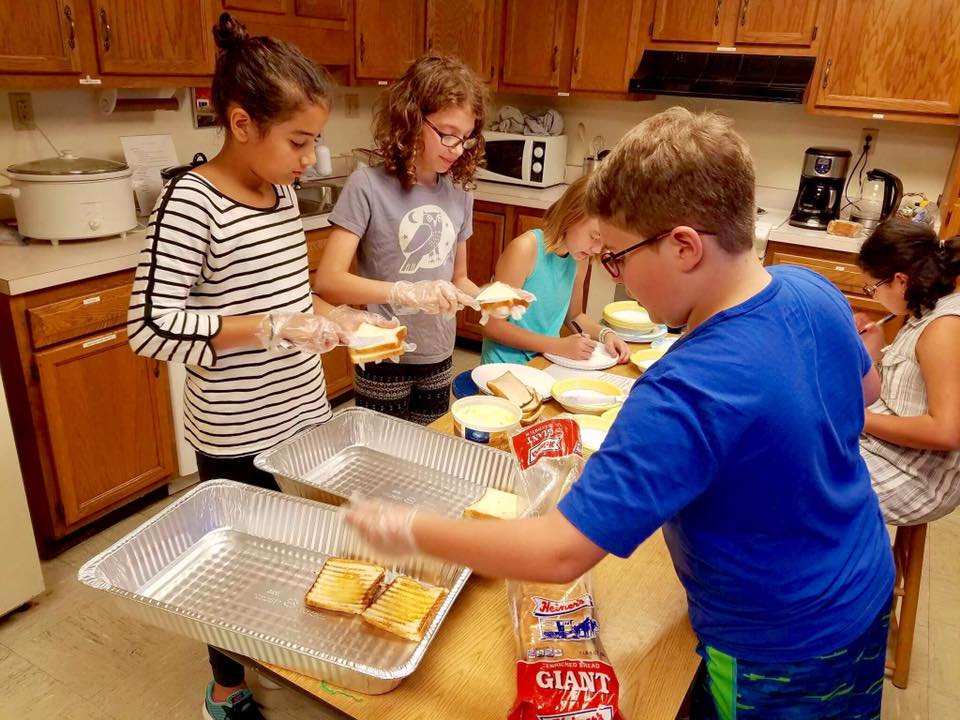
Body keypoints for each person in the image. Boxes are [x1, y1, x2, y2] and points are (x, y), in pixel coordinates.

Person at [347, 107, 895, 720]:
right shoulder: (809, 287)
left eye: (617, 258)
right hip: (865, 581)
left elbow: (559, 554)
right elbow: (866, 390)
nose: (617, 278)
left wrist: (410, 529)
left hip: (776, 647)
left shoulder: (687, 387)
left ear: (684, 246)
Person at [127, 14, 389, 720]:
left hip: (299, 412)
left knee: (290, 546)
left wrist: (330, 321)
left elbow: (284, 294)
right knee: (236, 565)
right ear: (241, 124)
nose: (310, 158)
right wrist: (270, 327)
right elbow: (150, 329)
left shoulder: (276, 194)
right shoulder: (190, 203)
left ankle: (284, 651)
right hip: (237, 425)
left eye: (314, 141)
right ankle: (226, 689)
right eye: (298, 141)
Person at [314, 54, 504, 425]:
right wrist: (403, 292)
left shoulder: (460, 193)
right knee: (382, 463)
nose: (455, 147)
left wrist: (489, 298)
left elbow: (458, 278)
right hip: (384, 350)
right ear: (412, 118)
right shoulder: (367, 186)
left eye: (465, 138)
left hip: (437, 350)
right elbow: (329, 282)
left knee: (427, 454)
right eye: (447, 133)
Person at [856, 219, 960, 525]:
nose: (873, 296)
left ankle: (837, 568)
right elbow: (905, 395)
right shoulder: (926, 310)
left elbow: (947, 431)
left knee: (788, 481)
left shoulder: (944, 327)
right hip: (892, 453)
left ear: (901, 281)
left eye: (873, 287)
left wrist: (858, 418)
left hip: (915, 476)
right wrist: (874, 353)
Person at [480, 175, 630, 365]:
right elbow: (492, 326)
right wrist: (558, 346)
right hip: (504, 368)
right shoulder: (524, 249)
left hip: (545, 361)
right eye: (594, 237)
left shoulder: (580, 258)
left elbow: (575, 316)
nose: (597, 250)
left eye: (604, 243)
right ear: (572, 214)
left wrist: (606, 334)